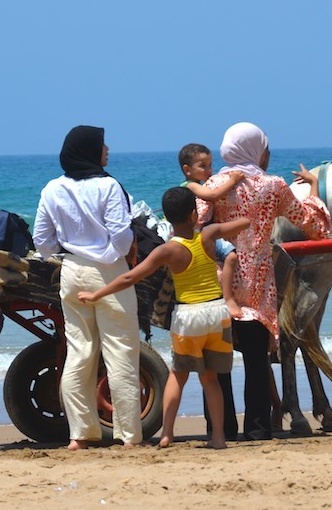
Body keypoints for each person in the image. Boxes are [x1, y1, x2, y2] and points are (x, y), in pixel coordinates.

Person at [78, 186, 250, 449]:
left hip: (189, 317)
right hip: (217, 313)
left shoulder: (168, 250)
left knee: (178, 376)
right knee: (211, 379)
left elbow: (129, 277)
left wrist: (96, 294)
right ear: (194, 215)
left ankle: (167, 433)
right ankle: (218, 437)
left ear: (167, 219)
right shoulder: (209, 234)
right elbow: (244, 222)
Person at [197, 122, 330, 441]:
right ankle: (257, 429)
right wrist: (314, 187)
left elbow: (196, 224)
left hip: (218, 283)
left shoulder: (215, 183)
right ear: (256, 151)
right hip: (256, 285)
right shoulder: (274, 186)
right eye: (265, 149)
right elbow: (313, 226)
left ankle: (221, 429)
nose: (267, 155)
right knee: (256, 361)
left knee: (217, 362)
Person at [32, 125, 145, 450]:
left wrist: (65, 252)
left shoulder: (52, 188)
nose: (107, 149)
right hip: (109, 272)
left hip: (71, 271)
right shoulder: (108, 185)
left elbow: (42, 241)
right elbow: (121, 235)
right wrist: (120, 251)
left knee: (79, 351)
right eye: (102, 144)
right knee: (121, 352)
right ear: (90, 150)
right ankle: (129, 436)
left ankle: (80, 434)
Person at [178, 143, 244, 320]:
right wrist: (233, 180)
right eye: (203, 166)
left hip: (203, 233)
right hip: (198, 236)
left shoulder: (199, 184)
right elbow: (213, 196)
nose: (209, 170)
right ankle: (228, 298)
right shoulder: (191, 186)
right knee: (231, 256)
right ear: (187, 170)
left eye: (210, 165)